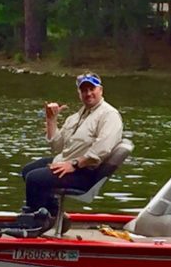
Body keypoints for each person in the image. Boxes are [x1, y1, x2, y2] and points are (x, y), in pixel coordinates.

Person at [21, 73, 123, 219]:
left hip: (85, 172)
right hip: (69, 163)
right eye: (84, 90)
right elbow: (57, 146)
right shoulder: (75, 117)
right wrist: (51, 120)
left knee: (34, 178)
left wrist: (74, 164)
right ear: (79, 93)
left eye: (91, 89)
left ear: (100, 90)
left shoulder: (109, 115)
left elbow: (103, 149)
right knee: (27, 170)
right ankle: (52, 214)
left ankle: (34, 221)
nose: (88, 93)